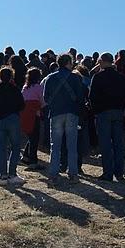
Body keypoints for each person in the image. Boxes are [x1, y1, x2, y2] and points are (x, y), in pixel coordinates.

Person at [43, 54, 84, 185]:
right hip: (72, 112)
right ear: (68, 63)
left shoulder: (50, 78)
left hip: (55, 113)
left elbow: (45, 97)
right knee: (72, 145)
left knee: (55, 146)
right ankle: (73, 174)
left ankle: (53, 175)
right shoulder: (75, 78)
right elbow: (80, 97)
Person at [89, 52, 125, 181]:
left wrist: (95, 111)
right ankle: (119, 173)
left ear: (102, 61)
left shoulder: (98, 77)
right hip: (118, 112)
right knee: (118, 143)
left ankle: (108, 173)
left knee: (105, 144)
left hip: (103, 112)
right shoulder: (121, 77)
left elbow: (92, 97)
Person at [0, 67, 26, 186]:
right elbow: (22, 105)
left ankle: (3, 175)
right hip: (12, 119)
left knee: (1, 148)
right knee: (15, 146)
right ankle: (12, 173)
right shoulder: (15, 89)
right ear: (11, 77)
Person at [21, 67, 44, 170]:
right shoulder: (38, 87)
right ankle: (33, 162)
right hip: (34, 114)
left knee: (31, 136)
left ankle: (26, 156)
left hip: (24, 114)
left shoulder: (25, 87)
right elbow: (43, 101)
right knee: (35, 138)